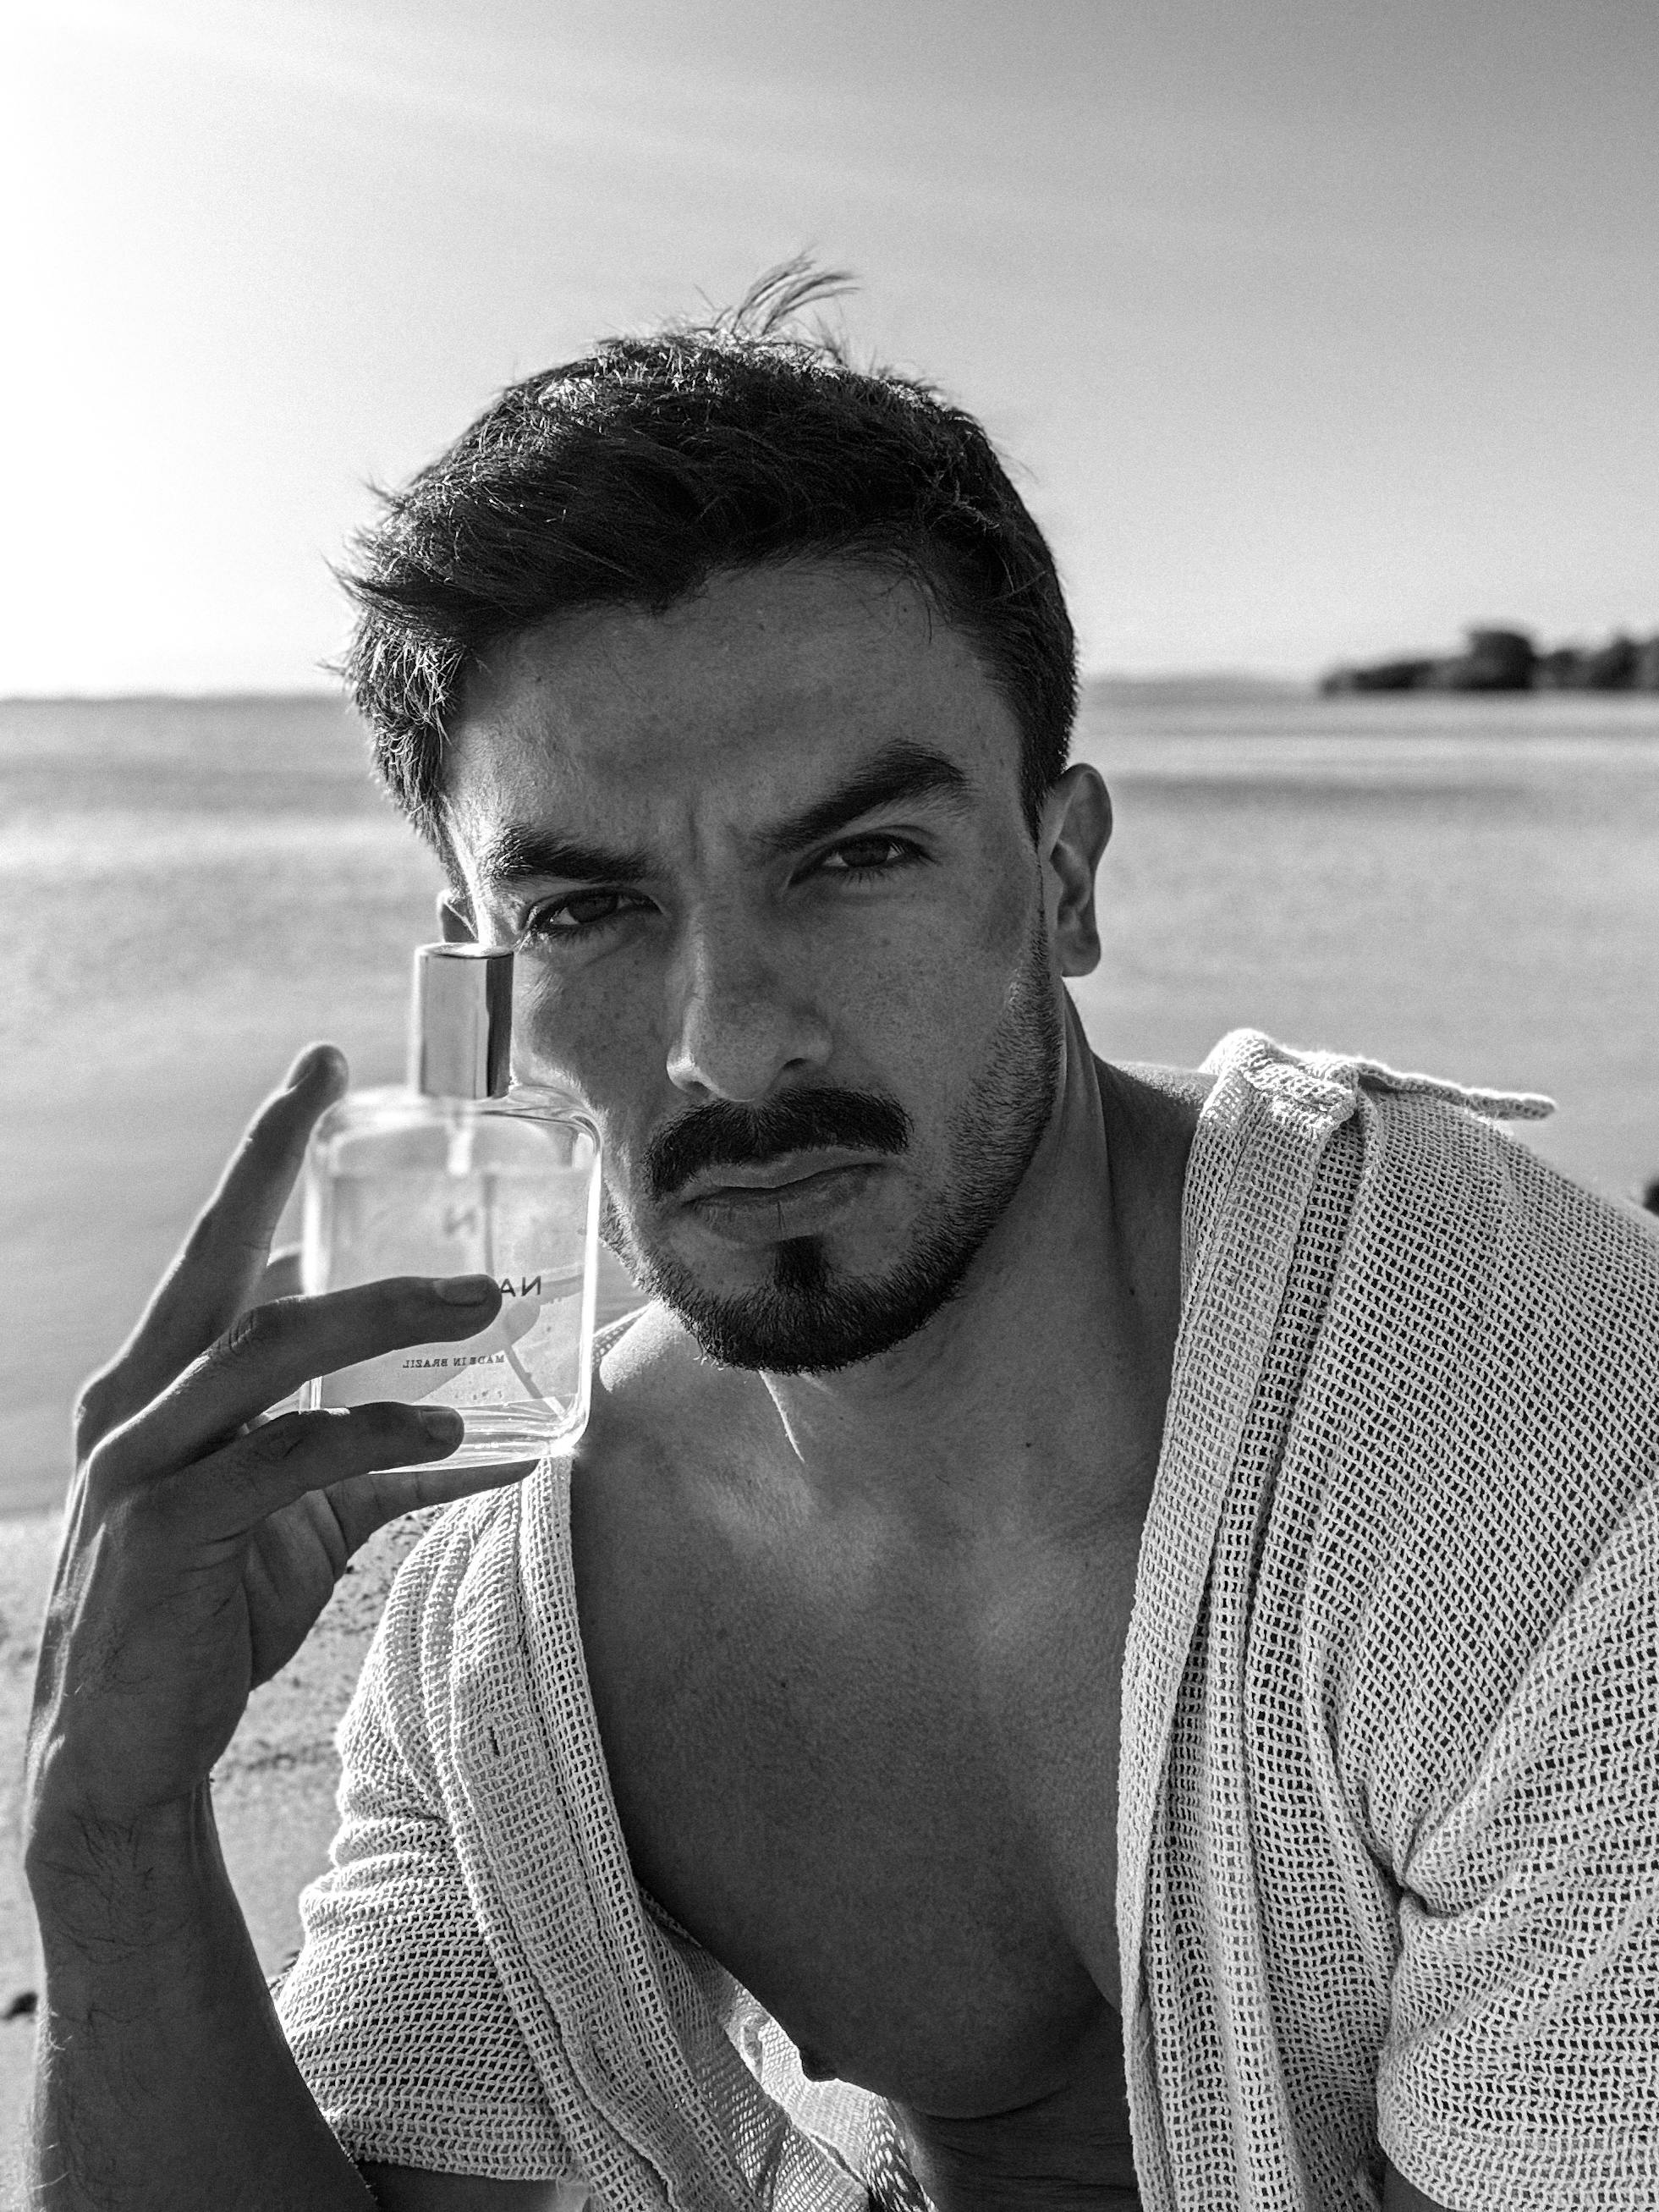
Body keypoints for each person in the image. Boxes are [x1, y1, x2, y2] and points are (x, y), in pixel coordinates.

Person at [23, 272, 1659, 2212]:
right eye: (586, 910)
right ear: (476, 975)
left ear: (1062, 878)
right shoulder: (503, 1604)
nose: (729, 1037)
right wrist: (111, 1824)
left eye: (857, 854)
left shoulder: (1537, 1475)